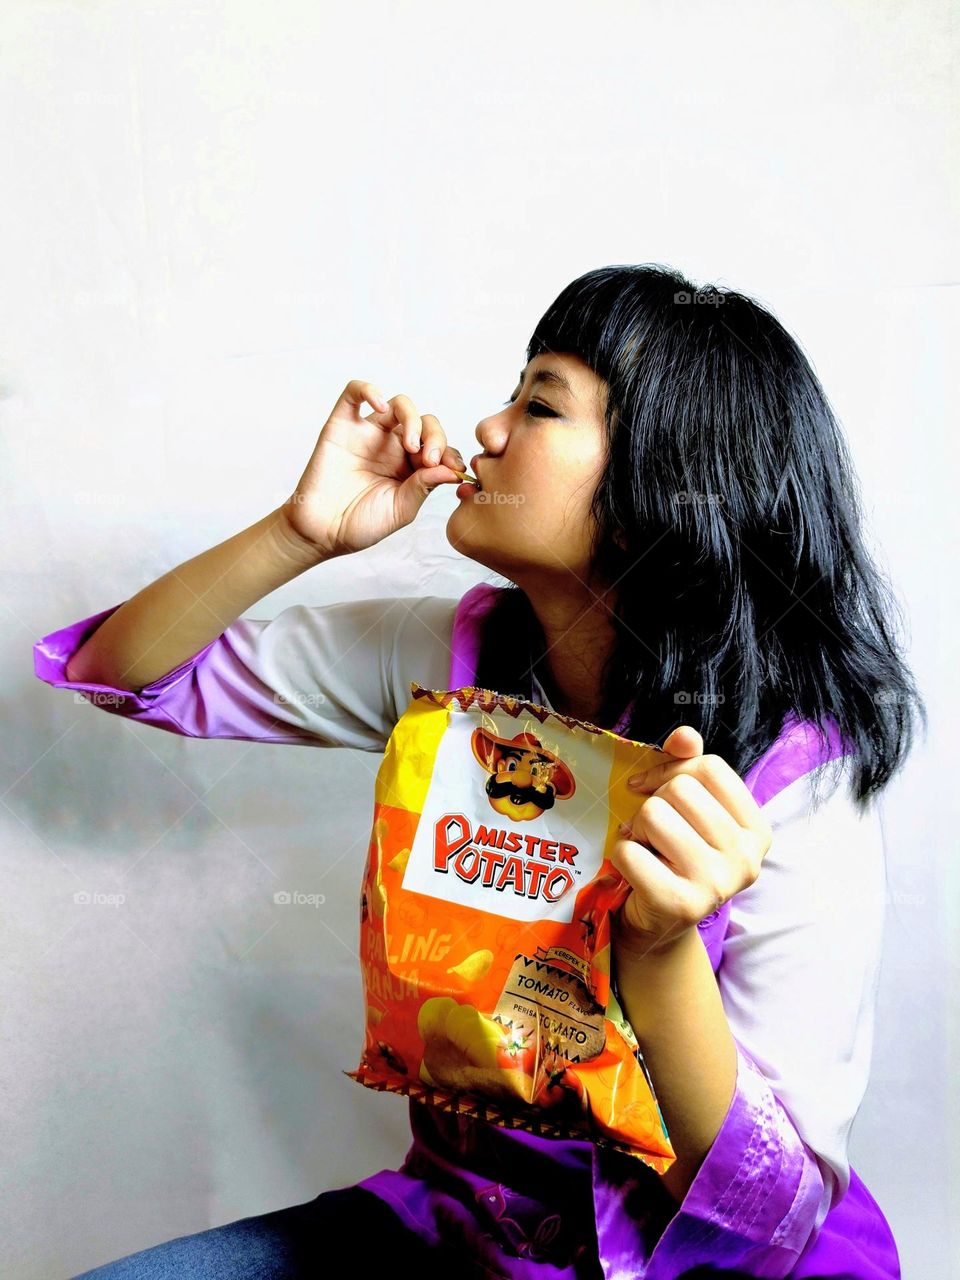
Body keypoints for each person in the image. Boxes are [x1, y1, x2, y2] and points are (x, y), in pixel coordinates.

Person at [34, 264, 924, 1279]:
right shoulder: (451, 662)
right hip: (461, 1233)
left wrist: (662, 947)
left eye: (540, 402)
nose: (489, 430)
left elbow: (772, 1211)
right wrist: (300, 533)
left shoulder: (797, 778)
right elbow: (123, 673)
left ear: (658, 491)